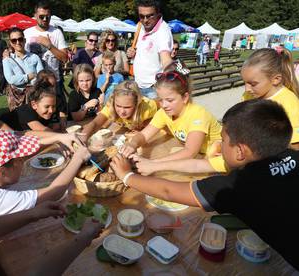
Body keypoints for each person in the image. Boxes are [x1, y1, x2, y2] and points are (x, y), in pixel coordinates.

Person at [110, 99, 299, 270]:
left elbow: (168, 191)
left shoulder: (238, 185)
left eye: (223, 141)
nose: (219, 145)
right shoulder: (294, 155)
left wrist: (126, 176)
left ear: (240, 151)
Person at [134, 47, 299, 176]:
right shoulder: (250, 94)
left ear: (276, 79)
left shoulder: (290, 104)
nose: (247, 88)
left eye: (253, 83)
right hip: (238, 158)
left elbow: (293, 148)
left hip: (261, 166)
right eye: (245, 82)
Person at [0, 128, 91, 217]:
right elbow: (53, 193)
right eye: (21, 158)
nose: (24, 160)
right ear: (2, 172)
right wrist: (78, 159)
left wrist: (58, 137)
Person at [119, 65, 222, 161]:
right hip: (201, 155)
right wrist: (132, 144)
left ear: (185, 97)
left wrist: (154, 163)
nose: (164, 105)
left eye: (170, 100)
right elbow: (144, 135)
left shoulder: (198, 115)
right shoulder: (163, 113)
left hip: (217, 156)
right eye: (161, 100)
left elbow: (190, 152)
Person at [24, 1, 68, 120]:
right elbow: (20, 55)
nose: (44, 19)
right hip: (34, 82)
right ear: (35, 16)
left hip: (54, 81)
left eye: (47, 17)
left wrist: (50, 46)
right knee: (35, 115)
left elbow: (65, 58)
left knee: (56, 114)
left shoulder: (56, 32)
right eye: (41, 16)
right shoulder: (27, 33)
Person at [126, 0, 173, 99]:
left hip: (153, 89)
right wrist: (133, 53)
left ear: (158, 14)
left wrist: (171, 79)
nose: (145, 20)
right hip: (137, 85)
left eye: (150, 16)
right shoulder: (139, 26)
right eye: (141, 16)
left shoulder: (163, 31)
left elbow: (166, 58)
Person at [81, 80, 158, 139]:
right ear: (113, 101)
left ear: (137, 104)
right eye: (118, 106)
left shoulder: (147, 108)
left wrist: (144, 126)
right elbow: (95, 123)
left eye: (127, 107)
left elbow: (160, 108)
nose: (122, 112)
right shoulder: (110, 106)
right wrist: (82, 139)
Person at [3, 28, 44, 94]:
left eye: (20, 39)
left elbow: (41, 77)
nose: (18, 42)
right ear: (10, 43)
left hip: (35, 94)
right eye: (14, 40)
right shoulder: (7, 59)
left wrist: (20, 79)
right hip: (18, 98)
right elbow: (11, 79)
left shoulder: (34, 57)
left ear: (24, 40)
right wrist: (28, 76)